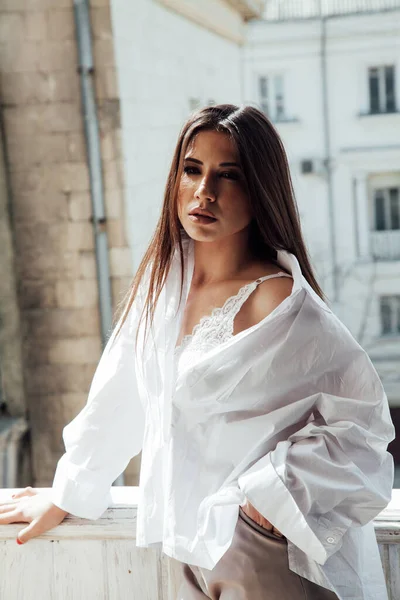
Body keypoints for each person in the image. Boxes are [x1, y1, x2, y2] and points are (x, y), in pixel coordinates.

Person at [0, 104, 395, 600]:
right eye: (193, 169)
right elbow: (121, 394)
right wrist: (68, 492)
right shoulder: (163, 281)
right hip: (183, 546)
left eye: (228, 176)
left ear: (259, 190)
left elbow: (365, 428)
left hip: (260, 549)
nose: (204, 192)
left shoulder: (278, 301)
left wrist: (265, 504)